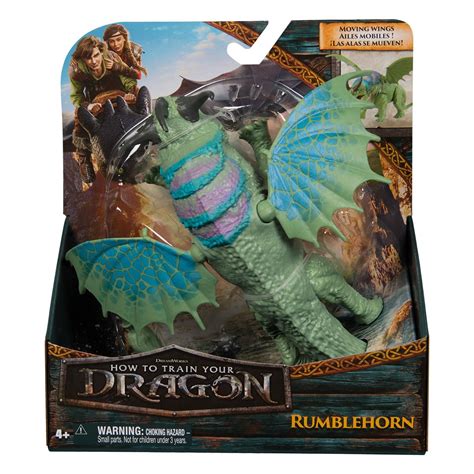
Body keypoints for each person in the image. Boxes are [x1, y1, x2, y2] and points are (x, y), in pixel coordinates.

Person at [69, 36, 138, 185]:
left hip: (120, 94)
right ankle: (84, 158)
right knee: (79, 117)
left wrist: (130, 92)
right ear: (83, 60)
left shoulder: (112, 58)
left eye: (96, 55)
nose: (93, 61)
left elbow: (128, 79)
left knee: (141, 96)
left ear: (101, 52)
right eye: (88, 58)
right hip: (95, 100)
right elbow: (76, 96)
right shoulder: (76, 71)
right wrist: (88, 106)